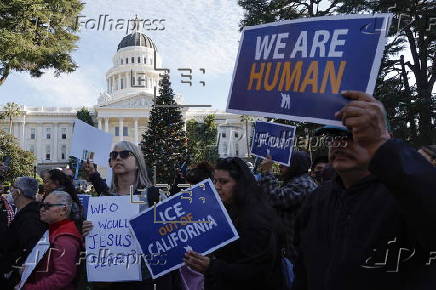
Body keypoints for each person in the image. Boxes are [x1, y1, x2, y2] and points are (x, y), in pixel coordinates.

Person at [292, 91, 436, 290]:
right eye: (333, 136)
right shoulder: (316, 199)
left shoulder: (404, 195)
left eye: (353, 134)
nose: (339, 144)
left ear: (383, 139)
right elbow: (303, 269)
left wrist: (384, 148)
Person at [82, 141, 178, 290]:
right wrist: (89, 230)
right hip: (112, 280)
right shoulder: (104, 199)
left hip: (148, 278)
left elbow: (172, 235)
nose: (118, 158)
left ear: (138, 162)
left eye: (125, 154)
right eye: (114, 155)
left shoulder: (154, 196)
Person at [184, 157, 285, 290]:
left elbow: (257, 271)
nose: (217, 186)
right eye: (215, 181)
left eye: (223, 182)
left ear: (240, 183)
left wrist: (212, 266)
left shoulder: (255, 219)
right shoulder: (228, 208)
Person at [259, 151, 318, 261]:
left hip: (298, 254)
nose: (280, 165)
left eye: (285, 162)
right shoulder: (296, 181)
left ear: (296, 165)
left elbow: (274, 199)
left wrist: (267, 171)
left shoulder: (303, 184)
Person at [24, 191, 82, 290]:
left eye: (47, 206)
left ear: (63, 210)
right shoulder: (55, 230)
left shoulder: (65, 238)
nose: (42, 209)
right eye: (41, 205)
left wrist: (32, 288)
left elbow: (64, 276)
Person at [0, 177, 47, 289]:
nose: (10, 191)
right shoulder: (32, 214)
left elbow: (31, 250)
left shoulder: (29, 219)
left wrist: (14, 271)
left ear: (18, 192)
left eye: (13, 188)